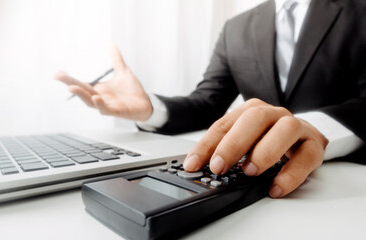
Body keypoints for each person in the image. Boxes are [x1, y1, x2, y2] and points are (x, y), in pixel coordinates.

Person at [56, 0, 366, 198]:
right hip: (251, 183)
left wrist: (315, 129)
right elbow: (207, 103)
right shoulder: (236, 28)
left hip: (341, 185)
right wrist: (150, 109)